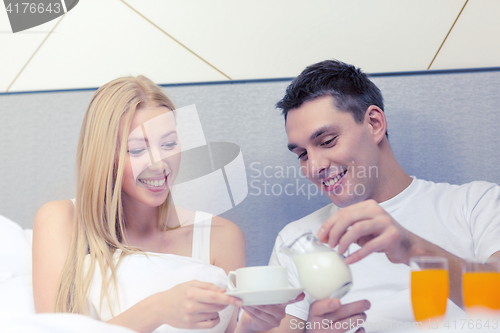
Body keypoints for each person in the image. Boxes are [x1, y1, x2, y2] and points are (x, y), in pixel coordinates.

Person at [32, 75, 302, 333]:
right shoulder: (61, 220)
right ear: (102, 157)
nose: (160, 164)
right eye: (137, 149)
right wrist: (156, 309)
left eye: (169, 143)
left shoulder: (223, 237)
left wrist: (250, 326)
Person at [267, 60, 500, 332]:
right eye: (302, 154)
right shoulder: (297, 240)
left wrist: (413, 248)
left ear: (374, 124)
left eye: (327, 141)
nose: (314, 167)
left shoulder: (476, 204)